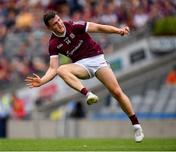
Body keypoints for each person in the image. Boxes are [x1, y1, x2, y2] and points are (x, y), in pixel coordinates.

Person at [25, 10, 144, 142]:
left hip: (97, 59)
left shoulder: (74, 26)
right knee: (61, 70)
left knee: (116, 92)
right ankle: (88, 94)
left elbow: (98, 27)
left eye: (59, 20)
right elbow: (53, 68)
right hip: (81, 66)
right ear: (49, 28)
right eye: (55, 23)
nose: (59, 24)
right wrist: (42, 81)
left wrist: (119, 31)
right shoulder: (53, 43)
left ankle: (136, 126)